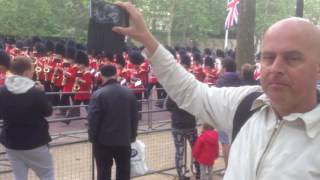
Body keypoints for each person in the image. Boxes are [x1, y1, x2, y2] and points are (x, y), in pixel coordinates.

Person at [113, 3, 320, 179]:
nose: (276, 68)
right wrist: (147, 40)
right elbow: (190, 91)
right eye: (268, 57)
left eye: (292, 58)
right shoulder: (245, 103)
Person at [0, 56, 54, 180]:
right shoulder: (36, 92)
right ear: (26, 72)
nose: (33, 72)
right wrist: (42, 92)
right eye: (32, 70)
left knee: (19, 176)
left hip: (11, 141)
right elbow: (48, 112)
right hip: (35, 141)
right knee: (47, 174)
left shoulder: (2, 91)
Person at [87, 64, 139, 180]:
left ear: (101, 75)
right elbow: (135, 118)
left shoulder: (98, 94)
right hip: (124, 140)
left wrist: (92, 138)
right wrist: (132, 136)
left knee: (103, 173)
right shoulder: (129, 93)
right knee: (124, 173)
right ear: (116, 74)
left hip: (103, 141)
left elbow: (93, 120)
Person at [166, 54, 200, 180]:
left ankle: (181, 175)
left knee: (179, 153)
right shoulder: (193, 87)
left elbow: (168, 105)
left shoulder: (174, 88)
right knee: (196, 150)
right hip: (190, 123)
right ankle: (198, 172)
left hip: (177, 124)